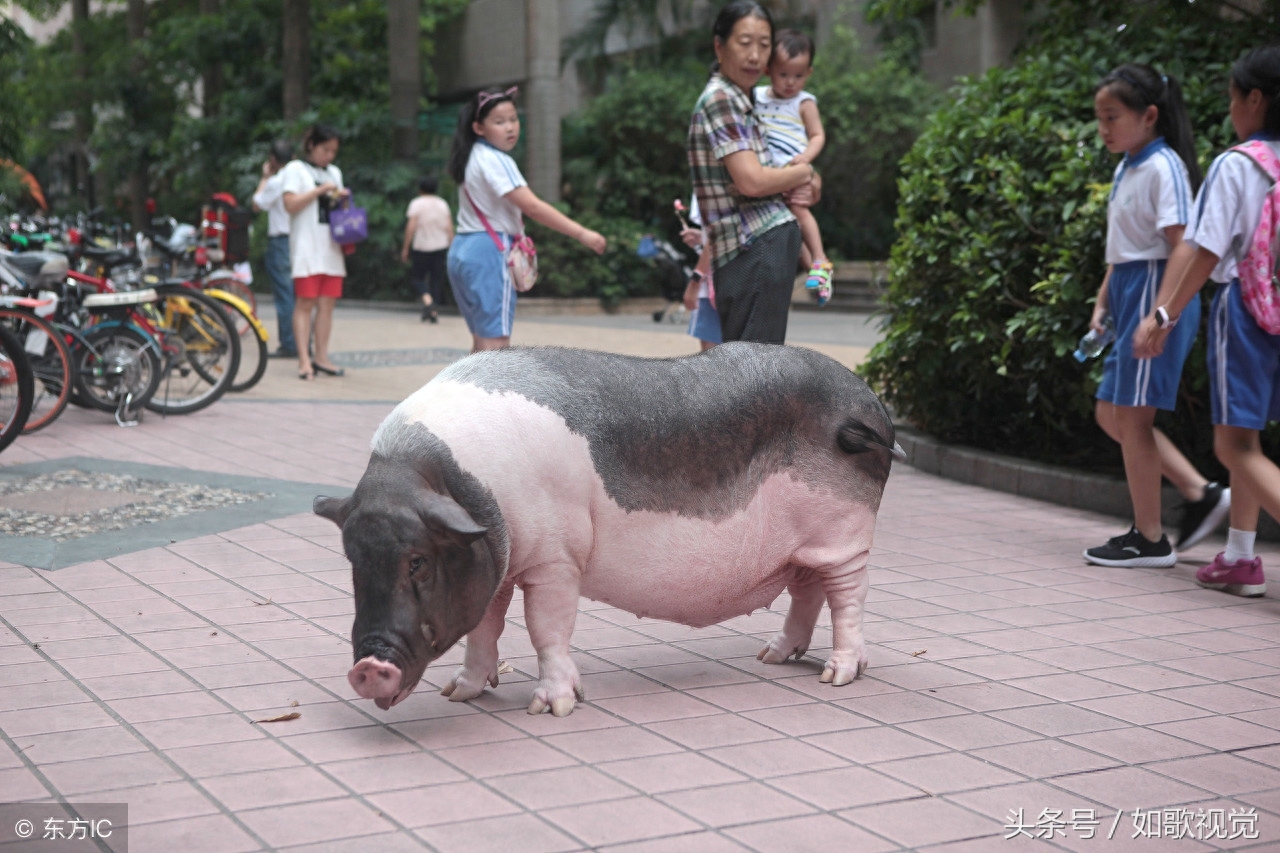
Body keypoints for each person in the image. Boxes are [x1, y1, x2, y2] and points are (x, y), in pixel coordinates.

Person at [1134, 45, 1280, 596]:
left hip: (1245, 313)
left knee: (1234, 447)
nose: (1231, 108)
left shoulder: (1237, 164)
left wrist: (1164, 314)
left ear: (1255, 99)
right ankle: (1241, 557)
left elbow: (1205, 252)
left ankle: (1242, 556)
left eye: (1233, 97)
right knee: (1252, 438)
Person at [1083, 64, 1230, 569]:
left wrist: (1161, 315)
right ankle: (1201, 493)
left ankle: (1149, 539)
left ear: (1149, 116)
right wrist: (1103, 306)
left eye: (1111, 116)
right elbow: (1121, 251)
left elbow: (1182, 247)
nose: (1103, 127)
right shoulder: (1129, 164)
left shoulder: (1162, 166)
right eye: (1098, 117)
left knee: (1133, 416)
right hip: (1130, 289)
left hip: (1152, 292)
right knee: (1113, 413)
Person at [688, 1, 814, 345]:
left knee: (752, 371)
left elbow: (775, 173)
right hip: (752, 250)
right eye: (744, 43)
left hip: (756, 251)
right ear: (719, 45)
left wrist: (807, 181)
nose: (756, 56)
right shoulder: (722, 99)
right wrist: (804, 173)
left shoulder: (748, 101)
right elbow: (753, 180)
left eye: (764, 44)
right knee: (753, 376)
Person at [446, 86, 606, 352]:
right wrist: (582, 233)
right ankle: (491, 396)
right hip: (490, 252)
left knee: (480, 344)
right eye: (499, 122)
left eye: (513, 119)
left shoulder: (470, 156)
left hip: (463, 249)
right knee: (496, 347)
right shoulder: (497, 160)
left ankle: (466, 394)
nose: (510, 128)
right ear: (479, 127)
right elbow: (532, 207)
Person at [755, 28, 832, 307]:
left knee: (799, 211)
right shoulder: (757, 96)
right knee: (785, 223)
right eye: (783, 74)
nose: (790, 82)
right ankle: (815, 271)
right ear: (768, 70)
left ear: (809, 73)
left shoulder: (804, 102)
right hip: (766, 174)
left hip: (793, 168)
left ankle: (820, 260)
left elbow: (818, 135)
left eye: (798, 76)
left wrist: (806, 159)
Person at [280, 124, 348, 381]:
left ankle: (322, 357)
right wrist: (320, 191)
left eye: (333, 151)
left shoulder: (335, 172)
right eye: (325, 149)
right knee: (305, 303)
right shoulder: (295, 170)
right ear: (311, 145)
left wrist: (342, 197)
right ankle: (304, 360)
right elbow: (290, 205)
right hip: (306, 247)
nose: (329, 156)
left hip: (331, 247)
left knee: (327, 304)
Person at [251, 139, 298, 357]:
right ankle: (302, 342)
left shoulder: (277, 181)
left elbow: (256, 204)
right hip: (299, 240)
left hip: (280, 241)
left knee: (284, 295)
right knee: (299, 294)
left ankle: (290, 343)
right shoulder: (301, 178)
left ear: (272, 160)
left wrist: (264, 177)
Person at [400, 175, 453, 323]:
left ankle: (429, 304)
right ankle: (433, 310)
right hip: (441, 246)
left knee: (417, 278)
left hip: (422, 246)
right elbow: (449, 227)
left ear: (420, 189)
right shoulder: (443, 204)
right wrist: (452, 244)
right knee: (436, 280)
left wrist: (405, 247)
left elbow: (411, 227)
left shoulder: (417, 204)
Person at [679, 195, 722, 351]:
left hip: (713, 283)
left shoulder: (708, 178)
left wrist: (695, 279)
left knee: (711, 352)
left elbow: (717, 233)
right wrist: (702, 238)